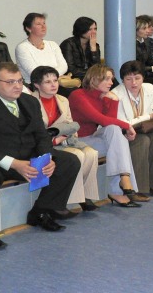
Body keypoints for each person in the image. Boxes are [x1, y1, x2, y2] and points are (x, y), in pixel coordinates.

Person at [0, 62, 80, 249]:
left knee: (68, 161)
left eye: (20, 81)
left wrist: (47, 158)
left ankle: (41, 211)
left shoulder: (29, 101)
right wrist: (14, 163)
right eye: (10, 82)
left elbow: (41, 135)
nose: (17, 86)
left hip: (24, 156)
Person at [69, 64, 145, 207]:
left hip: (92, 138)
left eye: (112, 79)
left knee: (116, 133)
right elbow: (101, 120)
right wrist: (127, 126)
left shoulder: (103, 96)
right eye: (107, 79)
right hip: (77, 140)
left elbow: (110, 124)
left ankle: (123, 179)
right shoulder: (78, 95)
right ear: (94, 79)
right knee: (119, 141)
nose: (111, 83)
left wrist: (113, 101)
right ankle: (122, 185)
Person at [30, 66, 99, 212]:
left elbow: (71, 125)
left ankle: (86, 195)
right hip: (43, 145)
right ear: (37, 85)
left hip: (64, 140)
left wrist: (62, 137)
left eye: (55, 80)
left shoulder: (63, 100)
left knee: (92, 153)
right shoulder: (30, 101)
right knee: (78, 155)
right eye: (47, 82)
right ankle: (71, 199)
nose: (53, 84)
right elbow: (34, 131)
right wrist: (55, 140)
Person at [113, 61, 153, 197]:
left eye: (137, 78)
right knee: (142, 141)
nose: (134, 83)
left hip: (143, 129)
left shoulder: (149, 88)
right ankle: (139, 188)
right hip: (124, 133)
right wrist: (149, 116)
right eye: (128, 79)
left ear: (143, 77)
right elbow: (123, 123)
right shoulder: (116, 94)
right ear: (122, 80)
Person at [15, 12, 68, 86]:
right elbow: (35, 73)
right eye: (38, 24)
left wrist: (52, 78)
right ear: (28, 28)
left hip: (56, 84)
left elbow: (64, 66)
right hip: (34, 86)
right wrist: (55, 76)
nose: (43, 26)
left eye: (44, 23)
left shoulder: (53, 44)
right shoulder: (22, 47)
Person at [59, 16, 101, 81]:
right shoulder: (68, 44)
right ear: (81, 30)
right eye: (90, 29)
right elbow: (71, 69)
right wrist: (91, 73)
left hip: (89, 76)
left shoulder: (95, 45)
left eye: (95, 29)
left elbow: (97, 67)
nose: (94, 32)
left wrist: (93, 50)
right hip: (73, 77)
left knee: (110, 78)